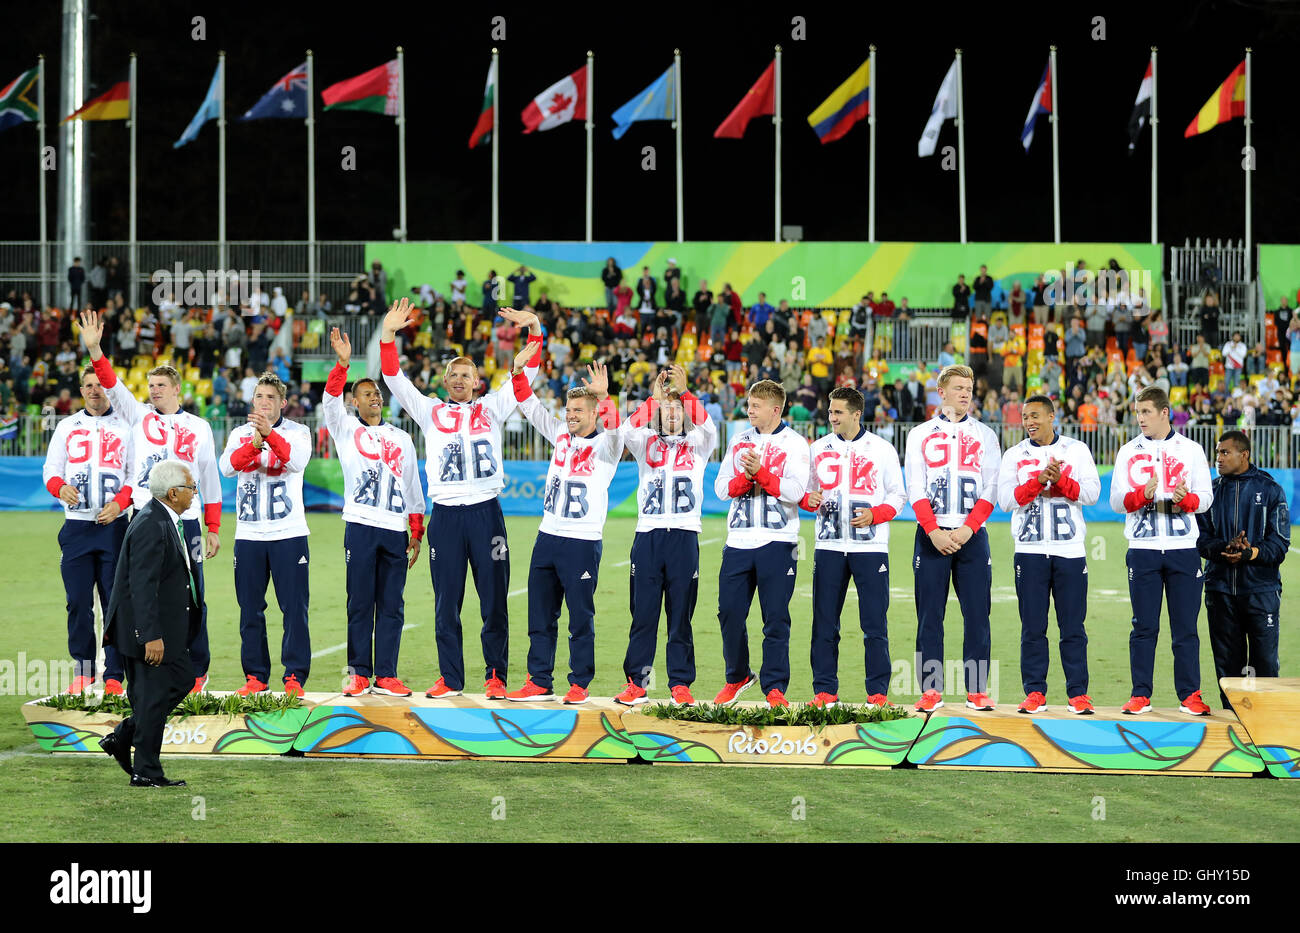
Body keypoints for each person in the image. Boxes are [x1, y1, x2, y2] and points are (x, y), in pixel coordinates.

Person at [381, 298, 542, 698]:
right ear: (445, 380)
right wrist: (387, 335)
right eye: (452, 374)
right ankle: (451, 678)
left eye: (465, 374)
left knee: (494, 600)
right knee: (445, 602)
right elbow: (395, 379)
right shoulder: (429, 411)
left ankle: (496, 676)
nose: (458, 379)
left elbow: (529, 373)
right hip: (447, 516)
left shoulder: (493, 407)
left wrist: (535, 328)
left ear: (477, 382)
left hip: (487, 513)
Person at [80, 311, 222, 694]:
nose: (154, 390)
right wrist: (94, 348)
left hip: (187, 521)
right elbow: (111, 381)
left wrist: (213, 528)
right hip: (144, 518)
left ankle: (197, 669)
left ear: (177, 389)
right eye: (151, 385)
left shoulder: (200, 427)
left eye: (161, 385)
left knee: (193, 594)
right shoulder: (137, 415)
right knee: (138, 589)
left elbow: (209, 479)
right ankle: (136, 666)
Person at [506, 363, 625, 703]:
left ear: (593, 414)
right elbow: (529, 405)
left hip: (582, 541)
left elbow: (616, 430)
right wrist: (518, 371)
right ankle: (539, 681)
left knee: (580, 617)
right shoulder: (559, 433)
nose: (571, 415)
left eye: (578, 410)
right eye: (568, 409)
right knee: (540, 614)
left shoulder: (606, 446)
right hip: (547, 536)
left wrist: (605, 397)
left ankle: (579, 683)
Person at [323, 328, 426, 698]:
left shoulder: (402, 437)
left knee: (392, 605)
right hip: (362, 527)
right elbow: (330, 400)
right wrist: (343, 364)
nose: (376, 397)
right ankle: (358, 673)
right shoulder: (344, 427)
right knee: (360, 602)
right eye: (367, 394)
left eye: (378, 393)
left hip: (394, 529)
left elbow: (412, 485)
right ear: (355, 402)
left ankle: (386, 674)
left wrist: (416, 531)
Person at [613, 364, 718, 707]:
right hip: (648, 536)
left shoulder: (699, 445)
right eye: (666, 411)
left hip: (684, 536)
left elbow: (710, 425)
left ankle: (680, 684)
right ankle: (637, 683)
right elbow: (625, 429)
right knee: (643, 614)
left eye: (678, 411)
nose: (672, 415)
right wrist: (653, 399)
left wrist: (685, 393)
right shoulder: (645, 443)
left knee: (680, 615)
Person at [1110, 385, 1214, 715]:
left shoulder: (1192, 449)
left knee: (1185, 628)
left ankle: (1190, 695)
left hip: (1184, 549)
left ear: (1164, 413)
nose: (1140, 418)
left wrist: (1188, 500)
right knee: (1144, 626)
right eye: (1138, 412)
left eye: (1146, 412)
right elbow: (1115, 502)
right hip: (1142, 549)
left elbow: (1206, 498)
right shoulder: (1127, 451)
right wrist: (1141, 494)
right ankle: (1141, 694)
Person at [98, 461, 203, 787]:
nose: (194, 493)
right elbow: (141, 586)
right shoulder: (151, 523)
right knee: (153, 697)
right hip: (144, 632)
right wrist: (150, 636)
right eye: (190, 487)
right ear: (173, 493)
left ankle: (126, 733)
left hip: (161, 630)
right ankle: (146, 771)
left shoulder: (162, 518)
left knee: (182, 679)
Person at [997, 394, 1101, 714]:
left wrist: (1061, 480)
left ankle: (1077, 694)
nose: (1029, 422)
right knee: (1032, 627)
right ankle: (1035, 692)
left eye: (1035, 416)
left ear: (1052, 417)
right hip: (1029, 552)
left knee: (1072, 627)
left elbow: (1092, 494)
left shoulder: (1077, 450)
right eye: (1025, 416)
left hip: (1069, 551)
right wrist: (1037, 481)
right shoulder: (1015, 455)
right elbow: (1005, 501)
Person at [905, 365, 1001, 711]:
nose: (965, 393)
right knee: (930, 615)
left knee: (977, 614)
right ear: (940, 391)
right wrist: (932, 530)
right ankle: (931, 690)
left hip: (972, 536)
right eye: (958, 387)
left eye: (969, 388)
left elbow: (991, 488)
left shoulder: (986, 435)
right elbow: (915, 486)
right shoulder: (918, 434)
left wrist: (967, 529)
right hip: (931, 536)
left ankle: (976, 690)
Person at [801, 387, 905, 707]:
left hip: (870, 548)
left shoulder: (882, 449)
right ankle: (824, 691)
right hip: (829, 546)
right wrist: (809, 500)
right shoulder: (817, 448)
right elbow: (803, 492)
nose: (831, 418)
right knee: (824, 623)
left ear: (856, 414)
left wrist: (876, 515)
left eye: (837, 413)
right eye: (830, 412)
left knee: (874, 624)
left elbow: (897, 497)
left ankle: (877, 693)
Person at [712, 379, 811, 707]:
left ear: (775, 409)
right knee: (729, 612)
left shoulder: (796, 443)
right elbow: (721, 488)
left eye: (756, 405)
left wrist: (763, 474)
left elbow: (797, 492)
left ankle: (774, 687)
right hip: (738, 540)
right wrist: (747, 478)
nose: (749, 410)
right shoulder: (739, 440)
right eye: (749, 404)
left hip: (779, 541)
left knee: (776, 618)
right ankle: (738, 675)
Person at [42, 363, 136, 694]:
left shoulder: (127, 425)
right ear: (81, 391)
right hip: (77, 529)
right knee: (78, 602)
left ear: (109, 388)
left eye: (100, 384)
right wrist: (58, 487)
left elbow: (134, 474)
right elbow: (51, 469)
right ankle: (84, 670)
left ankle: (114, 674)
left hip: (114, 528)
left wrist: (121, 503)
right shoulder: (67, 426)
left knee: (115, 603)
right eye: (88, 385)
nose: (95, 390)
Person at [219, 372, 313, 697]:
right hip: (249, 535)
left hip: (288, 533)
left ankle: (294, 677)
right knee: (250, 610)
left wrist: (269, 435)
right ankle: (255, 677)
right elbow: (227, 467)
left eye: (270, 397)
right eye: (259, 396)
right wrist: (254, 442)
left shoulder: (299, 432)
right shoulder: (239, 434)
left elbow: (296, 460)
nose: (263, 402)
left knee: (294, 609)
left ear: (283, 403)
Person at [1196, 431, 1290, 709]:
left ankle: (1267, 729)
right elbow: (1200, 539)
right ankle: (1232, 726)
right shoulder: (1210, 493)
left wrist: (1250, 553)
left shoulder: (1271, 490)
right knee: (1227, 667)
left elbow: (1280, 544)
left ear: (1244, 454)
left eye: (1225, 452)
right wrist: (1223, 549)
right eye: (1217, 453)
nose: (1218, 458)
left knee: (1265, 664)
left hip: (1261, 590)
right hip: (1220, 589)